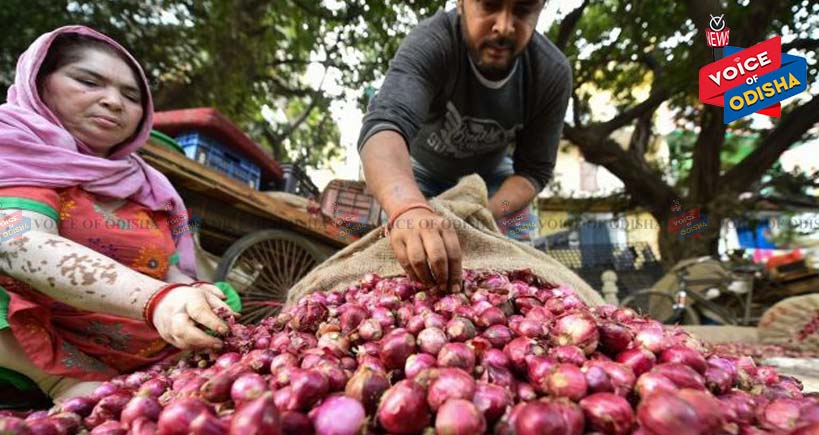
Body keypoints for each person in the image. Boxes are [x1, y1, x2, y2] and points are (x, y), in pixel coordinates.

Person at [0, 26, 234, 402]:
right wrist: (157, 300)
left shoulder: (143, 182)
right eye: (89, 81)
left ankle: (159, 369)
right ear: (40, 84)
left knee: (218, 297)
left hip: (142, 343)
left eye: (131, 95)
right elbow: (19, 244)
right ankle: (60, 381)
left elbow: (166, 266)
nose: (113, 101)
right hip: (40, 345)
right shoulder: (16, 152)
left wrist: (187, 292)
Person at [357, 0, 572, 292]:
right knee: (405, 259)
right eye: (489, 5)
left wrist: (489, 211)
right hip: (418, 174)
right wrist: (407, 207)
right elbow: (384, 127)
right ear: (460, 3)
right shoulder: (432, 43)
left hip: (495, 185)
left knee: (523, 267)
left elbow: (534, 172)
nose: (504, 27)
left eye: (522, 11)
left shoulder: (552, 73)